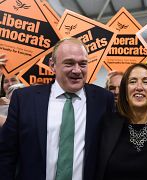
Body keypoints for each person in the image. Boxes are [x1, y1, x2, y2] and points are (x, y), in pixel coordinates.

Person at [0, 37, 114, 180]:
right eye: (69, 63)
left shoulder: (103, 99)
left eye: (83, 64)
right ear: (52, 65)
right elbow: (6, 153)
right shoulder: (24, 99)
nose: (77, 70)